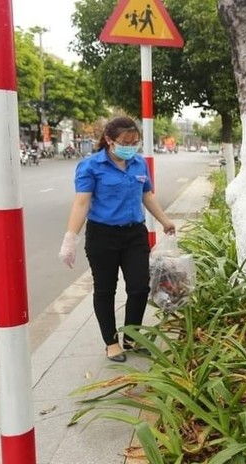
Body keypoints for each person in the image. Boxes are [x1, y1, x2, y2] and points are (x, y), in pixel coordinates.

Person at [58, 116, 176, 362]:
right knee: (105, 290)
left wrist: (165, 221)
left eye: (135, 142)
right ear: (109, 140)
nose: (131, 146)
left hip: (134, 234)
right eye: (126, 141)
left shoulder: (139, 164)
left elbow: (148, 196)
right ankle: (111, 342)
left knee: (139, 287)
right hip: (103, 236)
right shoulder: (91, 166)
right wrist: (70, 238)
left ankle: (131, 338)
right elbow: (82, 203)